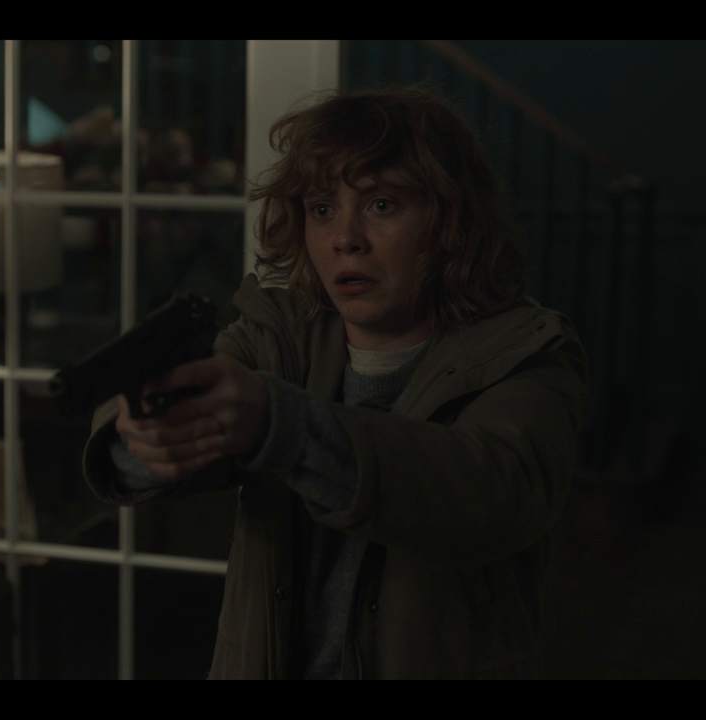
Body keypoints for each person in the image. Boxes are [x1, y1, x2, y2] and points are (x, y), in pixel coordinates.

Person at [81, 86, 589, 680]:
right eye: (322, 209)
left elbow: (493, 495)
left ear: (450, 221)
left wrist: (282, 426)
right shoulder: (280, 333)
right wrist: (148, 436)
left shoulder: (526, 349)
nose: (345, 237)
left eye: (382, 205)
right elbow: (132, 447)